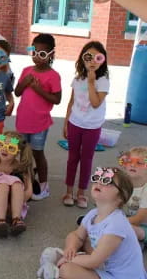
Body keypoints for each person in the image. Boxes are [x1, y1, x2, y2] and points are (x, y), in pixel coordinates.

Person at [57, 167, 147, 279]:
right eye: (96, 178)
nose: (99, 182)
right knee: (84, 244)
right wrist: (70, 248)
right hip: (108, 268)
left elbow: (93, 261)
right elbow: (76, 235)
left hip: (123, 276)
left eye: (106, 181)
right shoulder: (93, 214)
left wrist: (68, 258)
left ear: (121, 196)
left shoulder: (116, 224)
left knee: (67, 270)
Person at [14, 34, 61, 201]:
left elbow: (57, 100)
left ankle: (43, 185)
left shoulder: (53, 76)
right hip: (22, 121)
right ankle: (24, 181)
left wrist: (38, 89)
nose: (36, 57)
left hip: (40, 123)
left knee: (37, 153)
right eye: (34, 52)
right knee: (21, 153)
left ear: (51, 55)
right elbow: (17, 92)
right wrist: (24, 83)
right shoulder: (26, 71)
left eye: (42, 54)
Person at [63, 41, 109, 209]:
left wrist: (91, 83)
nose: (92, 61)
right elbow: (71, 101)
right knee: (72, 158)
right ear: (82, 59)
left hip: (92, 126)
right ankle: (69, 191)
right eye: (88, 57)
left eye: (97, 58)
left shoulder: (103, 81)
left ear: (103, 60)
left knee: (86, 159)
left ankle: (82, 193)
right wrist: (66, 123)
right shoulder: (77, 79)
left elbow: (96, 103)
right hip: (75, 123)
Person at [0, 131, 34, 238]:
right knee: (3, 184)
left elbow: (29, 191)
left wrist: (15, 204)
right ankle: (0, 221)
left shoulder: (20, 166)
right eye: (1, 145)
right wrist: (0, 204)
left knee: (17, 184)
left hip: (14, 206)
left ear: (17, 152)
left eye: (10, 148)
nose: (4, 149)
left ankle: (16, 220)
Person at [119, 147, 147, 244]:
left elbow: (139, 219)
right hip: (127, 217)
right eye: (129, 161)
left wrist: (114, 223)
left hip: (143, 224)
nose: (132, 165)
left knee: (134, 230)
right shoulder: (123, 182)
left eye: (139, 163)